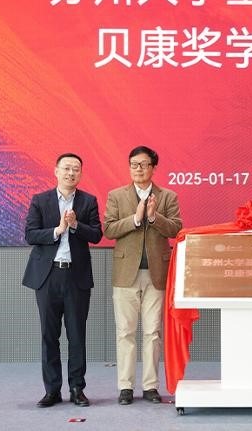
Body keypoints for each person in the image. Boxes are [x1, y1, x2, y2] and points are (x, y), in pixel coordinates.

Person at [22, 153, 103, 408]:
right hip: (48, 276)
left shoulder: (88, 201)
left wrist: (76, 224)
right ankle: (52, 390)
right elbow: (30, 234)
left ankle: (77, 388)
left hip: (76, 277)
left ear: (81, 174)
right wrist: (57, 231)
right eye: (66, 168)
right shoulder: (40, 200)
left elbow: (97, 235)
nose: (71, 173)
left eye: (76, 169)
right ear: (56, 171)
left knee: (77, 335)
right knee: (49, 335)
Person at [103, 146, 182, 405]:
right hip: (126, 273)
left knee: (152, 332)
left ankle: (150, 386)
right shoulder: (116, 195)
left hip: (156, 274)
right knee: (125, 332)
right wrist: (135, 219)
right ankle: (125, 386)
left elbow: (176, 229)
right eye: (134, 164)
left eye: (144, 164)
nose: (138, 169)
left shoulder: (167, 196)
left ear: (153, 168)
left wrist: (154, 217)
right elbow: (109, 229)